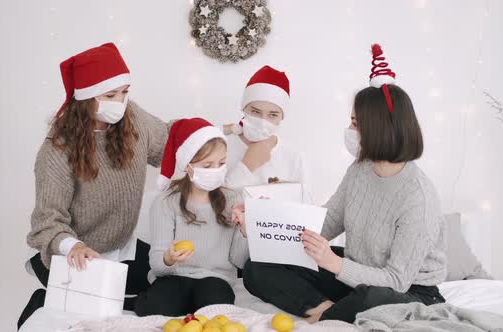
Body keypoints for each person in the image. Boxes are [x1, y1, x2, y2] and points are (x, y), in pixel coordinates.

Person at [240, 44, 447, 323]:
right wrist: (260, 224)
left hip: (409, 290)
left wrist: (333, 263)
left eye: (355, 123)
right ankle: (324, 310)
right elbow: (325, 224)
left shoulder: (418, 197)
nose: (349, 131)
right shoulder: (360, 169)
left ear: (377, 129)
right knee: (258, 265)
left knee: (370, 299)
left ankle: (334, 310)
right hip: (355, 272)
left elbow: (397, 280)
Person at [18, 43, 171, 328]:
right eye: (110, 95)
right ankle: (43, 301)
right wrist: (74, 246)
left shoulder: (133, 119)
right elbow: (46, 221)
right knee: (89, 306)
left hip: (118, 247)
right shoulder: (57, 150)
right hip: (67, 255)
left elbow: (170, 140)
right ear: (86, 99)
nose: (121, 102)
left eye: (125, 92)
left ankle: (67, 298)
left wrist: (213, 137)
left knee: (167, 286)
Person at [134, 118, 248, 317]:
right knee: (156, 310)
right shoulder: (166, 202)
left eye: (221, 163)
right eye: (207, 165)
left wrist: (245, 231)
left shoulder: (234, 200)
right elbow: (157, 266)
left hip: (216, 279)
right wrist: (168, 258)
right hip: (174, 277)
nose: (216, 170)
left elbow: (239, 261)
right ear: (188, 166)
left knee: (215, 312)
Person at [223, 65, 312, 203]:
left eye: (272, 115)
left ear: (282, 117)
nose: (262, 122)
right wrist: (246, 166)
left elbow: (305, 208)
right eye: (255, 112)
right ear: (244, 108)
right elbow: (207, 202)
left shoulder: (293, 156)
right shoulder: (221, 145)